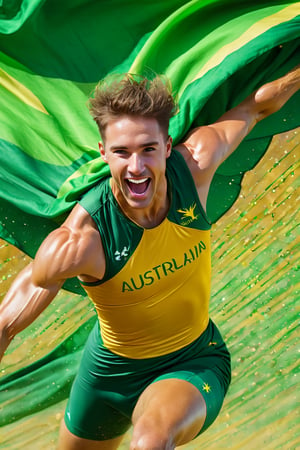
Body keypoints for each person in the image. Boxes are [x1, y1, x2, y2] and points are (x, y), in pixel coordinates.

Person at [0, 66, 299, 450]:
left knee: (149, 443)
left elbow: (255, 108)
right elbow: (10, 318)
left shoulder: (195, 167)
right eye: (122, 152)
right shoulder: (81, 239)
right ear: (103, 153)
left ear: (168, 146)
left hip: (192, 360)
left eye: (148, 149)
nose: (136, 167)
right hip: (106, 377)